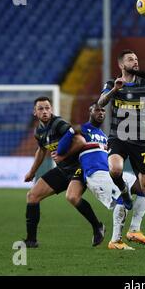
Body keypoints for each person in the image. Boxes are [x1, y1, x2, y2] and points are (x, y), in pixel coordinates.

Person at [97, 49, 145, 248]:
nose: (135, 61)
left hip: (140, 142)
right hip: (118, 138)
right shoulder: (111, 84)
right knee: (115, 169)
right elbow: (100, 103)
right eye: (131, 59)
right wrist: (115, 89)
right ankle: (124, 190)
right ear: (122, 65)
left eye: (137, 59)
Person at [55, 102, 145, 250]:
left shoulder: (103, 136)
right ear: (90, 111)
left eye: (103, 110)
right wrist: (70, 131)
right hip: (96, 175)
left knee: (144, 187)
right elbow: (60, 150)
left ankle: (134, 230)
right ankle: (115, 241)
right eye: (97, 110)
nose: (100, 112)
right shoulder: (81, 129)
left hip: (109, 173)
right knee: (121, 195)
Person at [23, 96, 104, 248]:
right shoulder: (39, 131)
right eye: (41, 109)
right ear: (35, 112)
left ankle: (97, 226)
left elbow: (80, 141)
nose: (45, 111)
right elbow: (41, 150)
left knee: (72, 197)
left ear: (51, 109)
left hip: (79, 167)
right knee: (32, 196)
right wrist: (32, 172)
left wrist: (63, 156)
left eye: (47, 108)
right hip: (63, 169)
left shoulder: (59, 124)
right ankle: (31, 240)